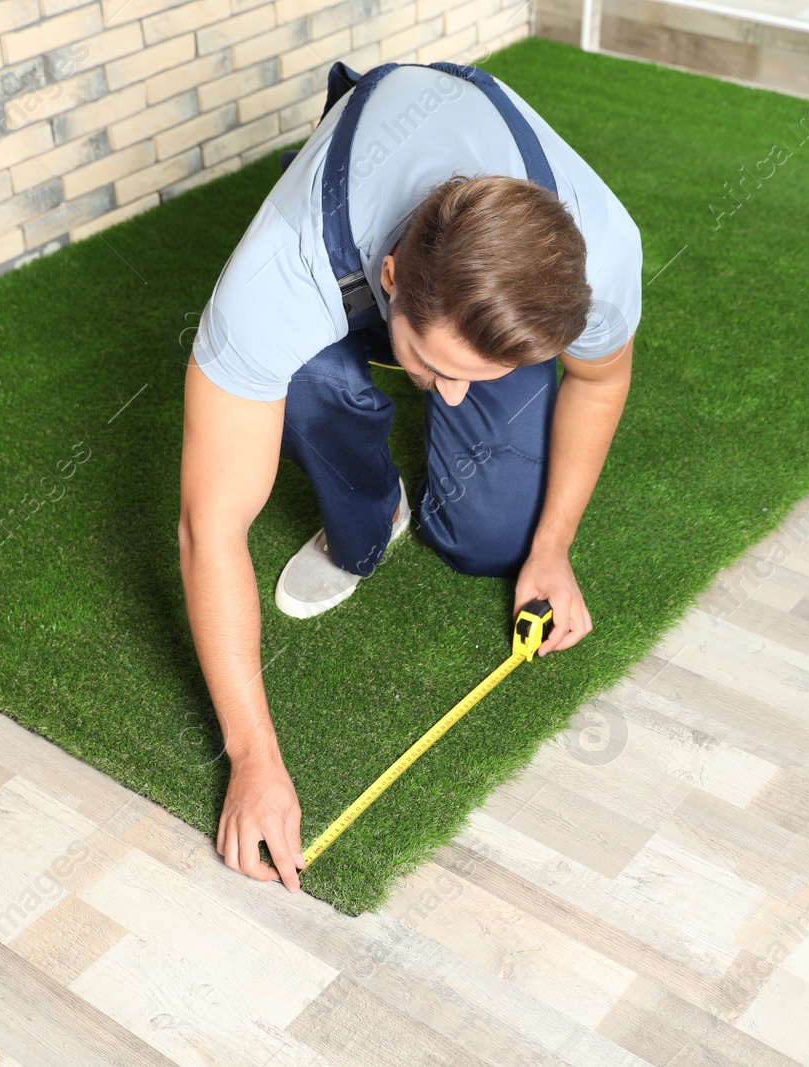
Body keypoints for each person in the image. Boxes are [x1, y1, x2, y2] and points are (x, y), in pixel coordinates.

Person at [178, 60, 642, 893]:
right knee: (313, 380)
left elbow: (599, 380)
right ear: (390, 279)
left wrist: (554, 547)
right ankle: (374, 497)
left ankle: (462, 385)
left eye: (477, 372)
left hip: (455, 250)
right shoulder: (279, 277)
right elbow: (208, 528)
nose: (453, 393)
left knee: (492, 540)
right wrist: (252, 758)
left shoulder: (602, 250)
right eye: (436, 364)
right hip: (350, 220)